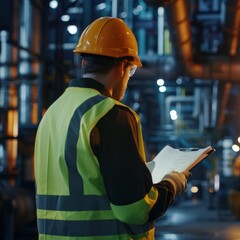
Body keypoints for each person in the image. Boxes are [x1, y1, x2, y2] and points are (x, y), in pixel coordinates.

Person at [34, 17, 190, 239]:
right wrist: (173, 183)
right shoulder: (111, 114)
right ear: (122, 66)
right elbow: (135, 209)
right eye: (131, 71)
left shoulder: (52, 113)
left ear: (83, 62)